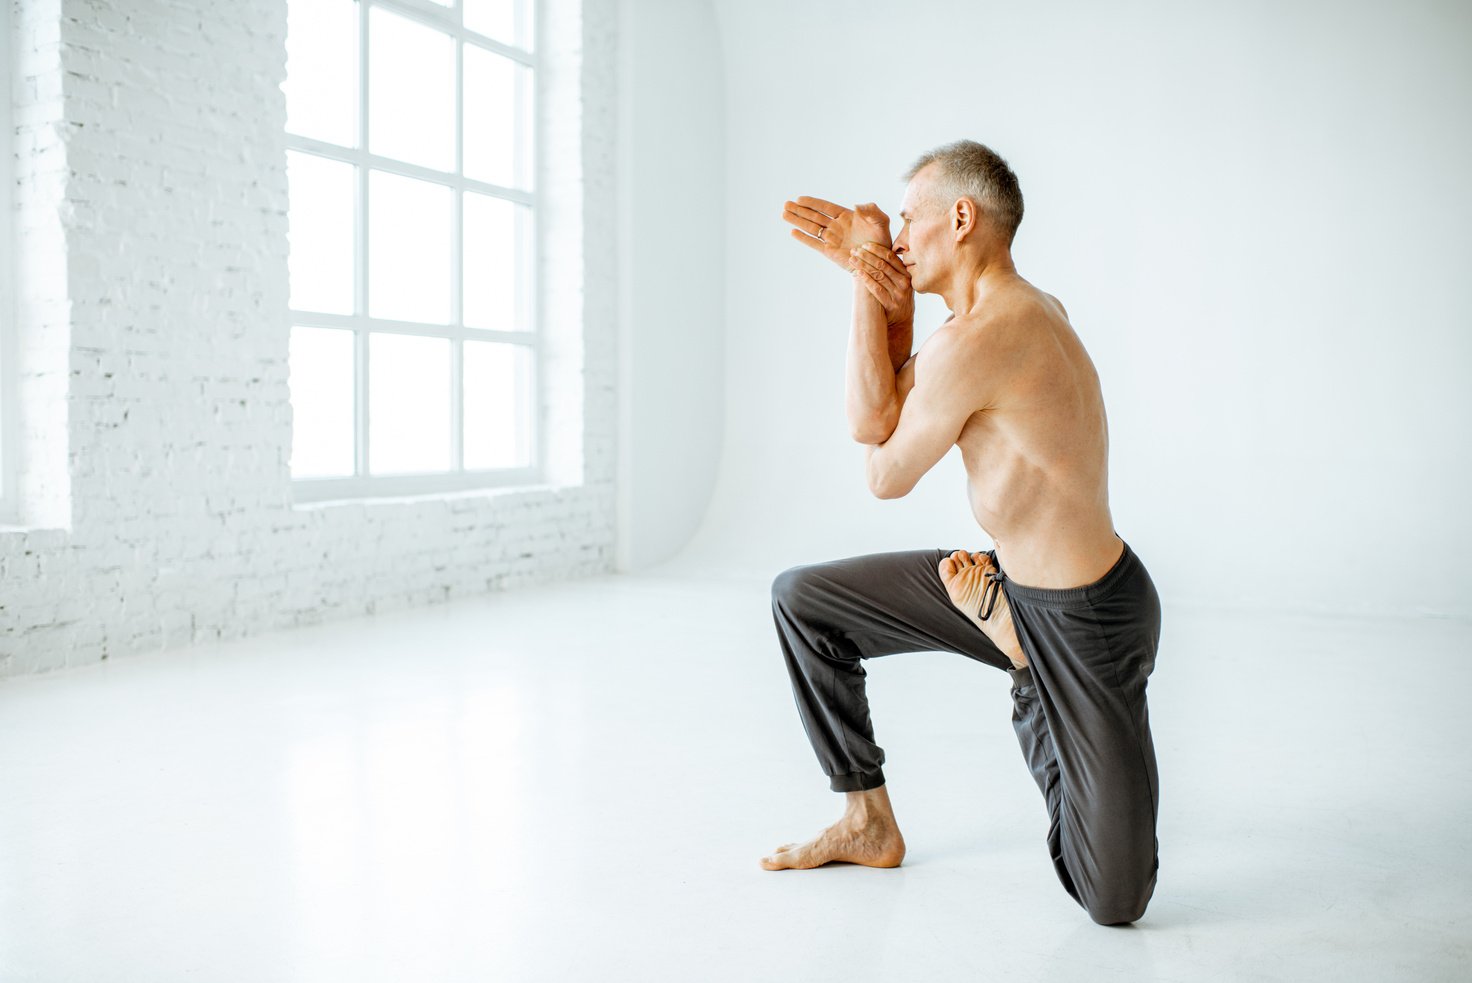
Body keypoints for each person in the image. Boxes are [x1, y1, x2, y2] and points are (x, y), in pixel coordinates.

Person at [764, 140, 1163, 926]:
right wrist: (868, 288)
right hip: (1003, 582)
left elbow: (881, 472)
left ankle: (1020, 662)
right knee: (805, 603)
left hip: (1085, 621)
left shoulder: (980, 340)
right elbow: (874, 419)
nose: (900, 236)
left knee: (1114, 897)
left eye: (907, 218)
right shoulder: (1000, 316)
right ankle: (867, 819)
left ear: (960, 216)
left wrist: (872, 285)